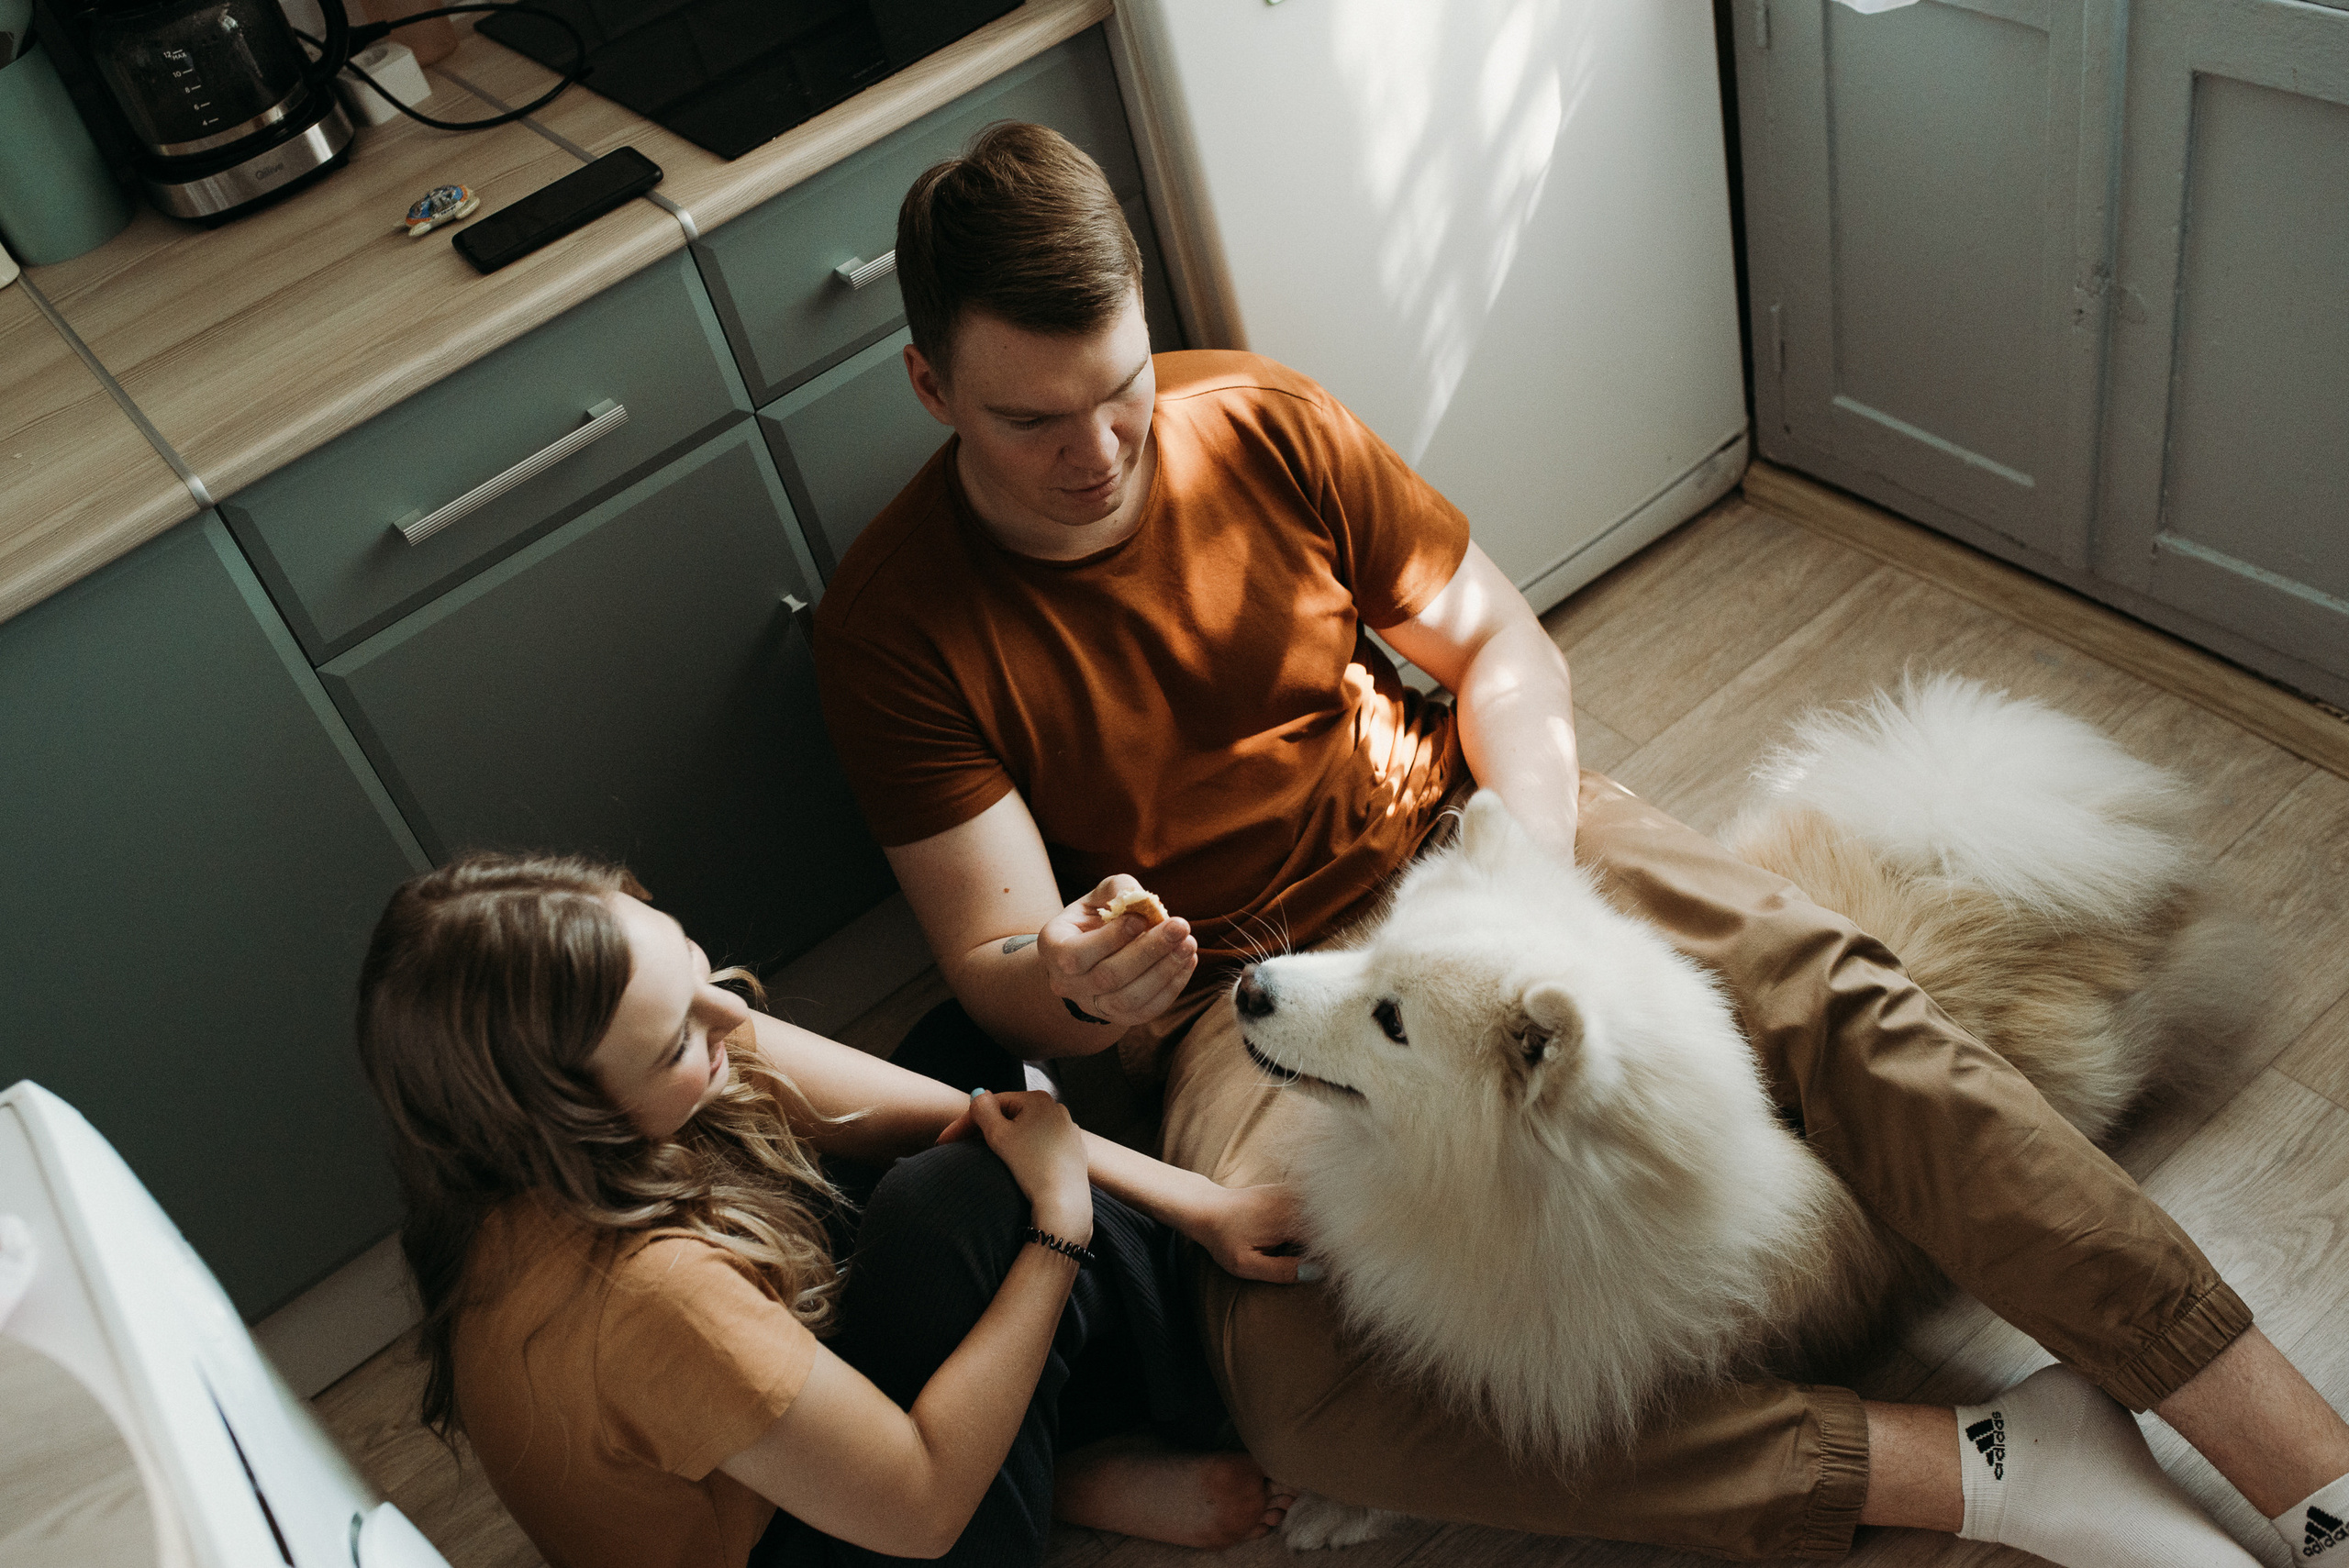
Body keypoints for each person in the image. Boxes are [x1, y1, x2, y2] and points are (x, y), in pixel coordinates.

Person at [811, 121, 2349, 1566]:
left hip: (1474, 841)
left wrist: (1528, 880)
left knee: (1838, 1000)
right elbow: (997, 964)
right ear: (932, 386)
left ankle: (2303, 1462)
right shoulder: (898, 626)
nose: (1099, 452)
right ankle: (1985, 1463)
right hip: (1238, 987)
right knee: (1296, 1385)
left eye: (1122, 388)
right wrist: (1076, 981)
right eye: (1033, 419)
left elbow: (1501, 649)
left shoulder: (1263, 421)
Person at [353, 851, 1308, 1568]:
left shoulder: (540, 1124)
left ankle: (1062, 1461)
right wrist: (1060, 1226)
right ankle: (1230, 1379)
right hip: (850, 1534)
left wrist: (1208, 1204)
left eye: (692, 965)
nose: (729, 1015)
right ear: (573, 1116)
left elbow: (954, 1110)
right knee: (971, 1200)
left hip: (779, 1462)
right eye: (676, 1038)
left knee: (961, 1056)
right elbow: (923, 1509)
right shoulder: (646, 1298)